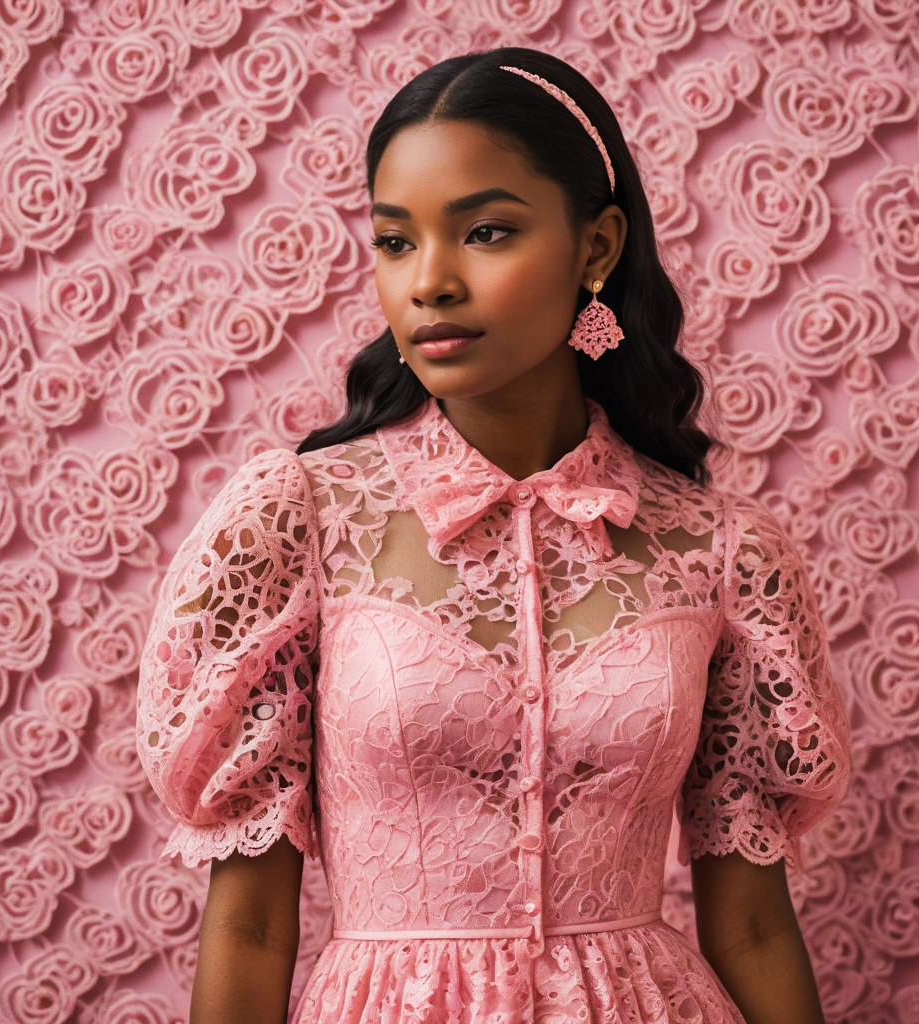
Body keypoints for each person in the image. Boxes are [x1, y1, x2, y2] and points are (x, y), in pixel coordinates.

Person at [136, 45, 852, 1024]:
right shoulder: (295, 520)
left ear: (595, 250)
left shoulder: (722, 549)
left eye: (483, 231)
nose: (429, 281)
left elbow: (755, 927)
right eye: (396, 241)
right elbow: (252, 926)